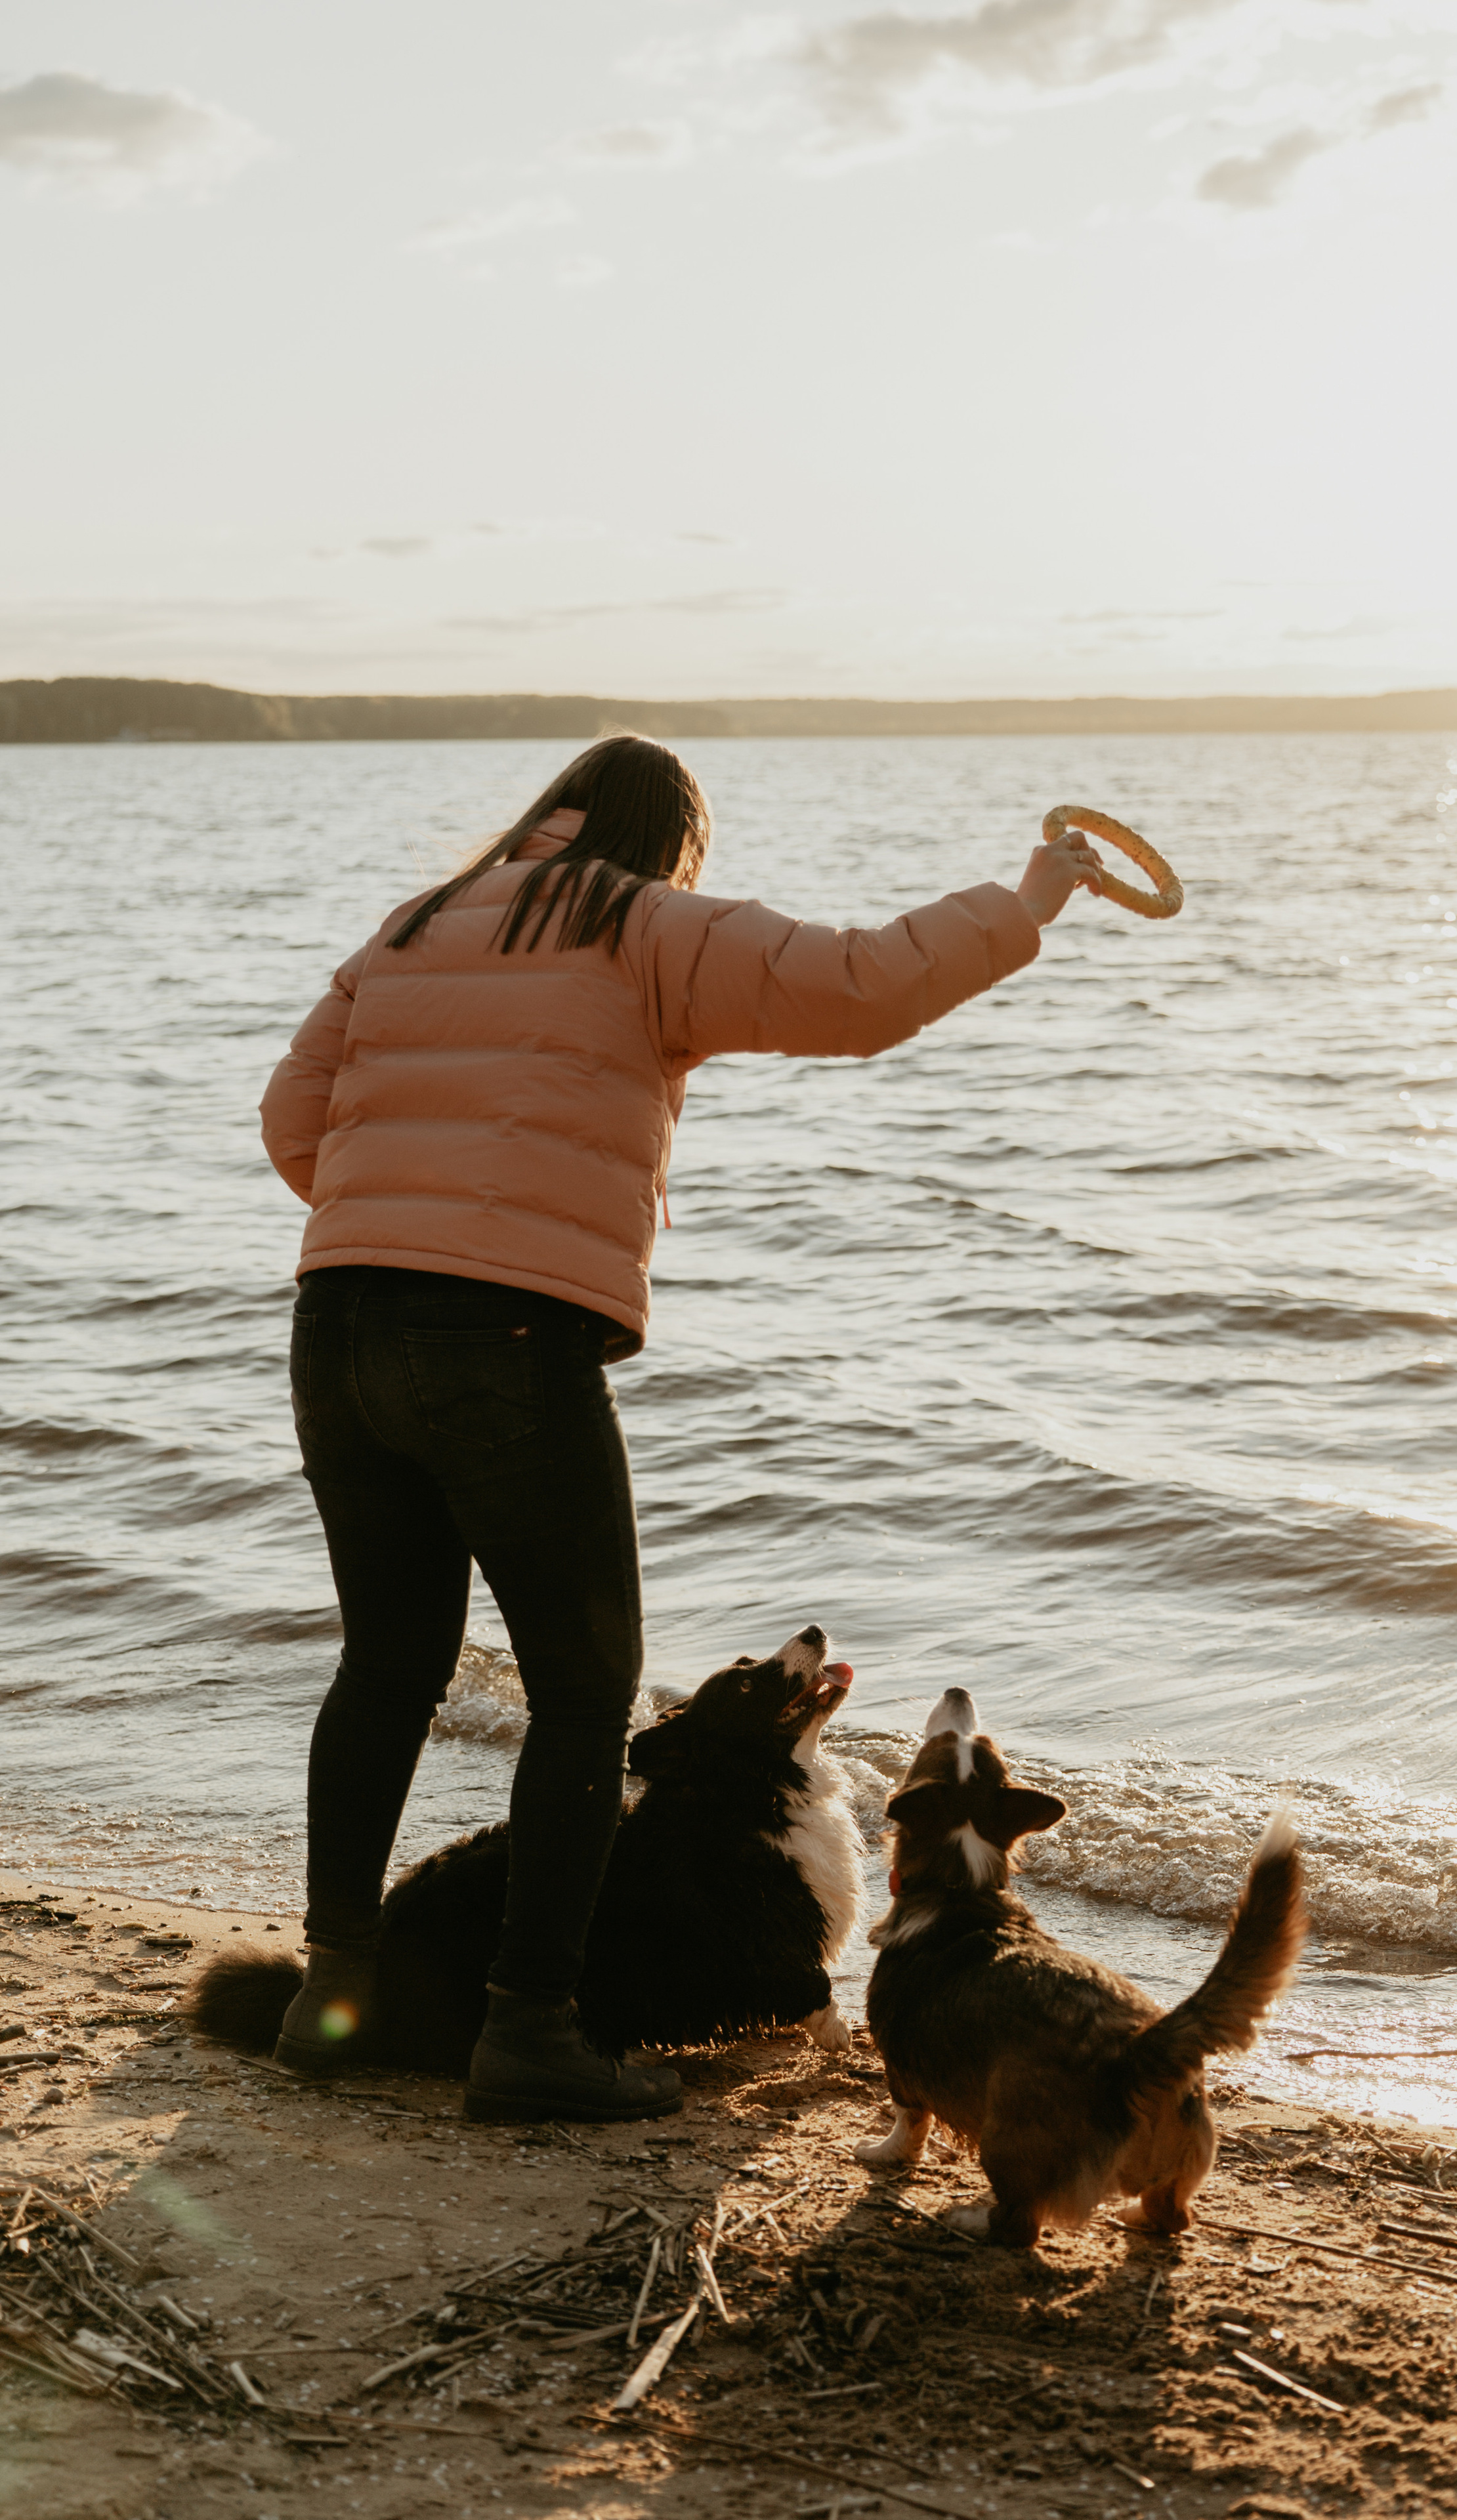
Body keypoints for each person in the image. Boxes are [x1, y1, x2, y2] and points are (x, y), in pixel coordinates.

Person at [259, 734, 1105, 2122]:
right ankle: (529, 2033)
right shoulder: (636, 919)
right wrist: (1028, 898)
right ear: (668, 847)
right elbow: (862, 984)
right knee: (586, 1698)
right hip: (504, 1339)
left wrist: (396, 1212)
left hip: (338, 1321)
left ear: (551, 814)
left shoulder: (407, 929)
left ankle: (328, 1997)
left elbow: (295, 1119)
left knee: (387, 1663)